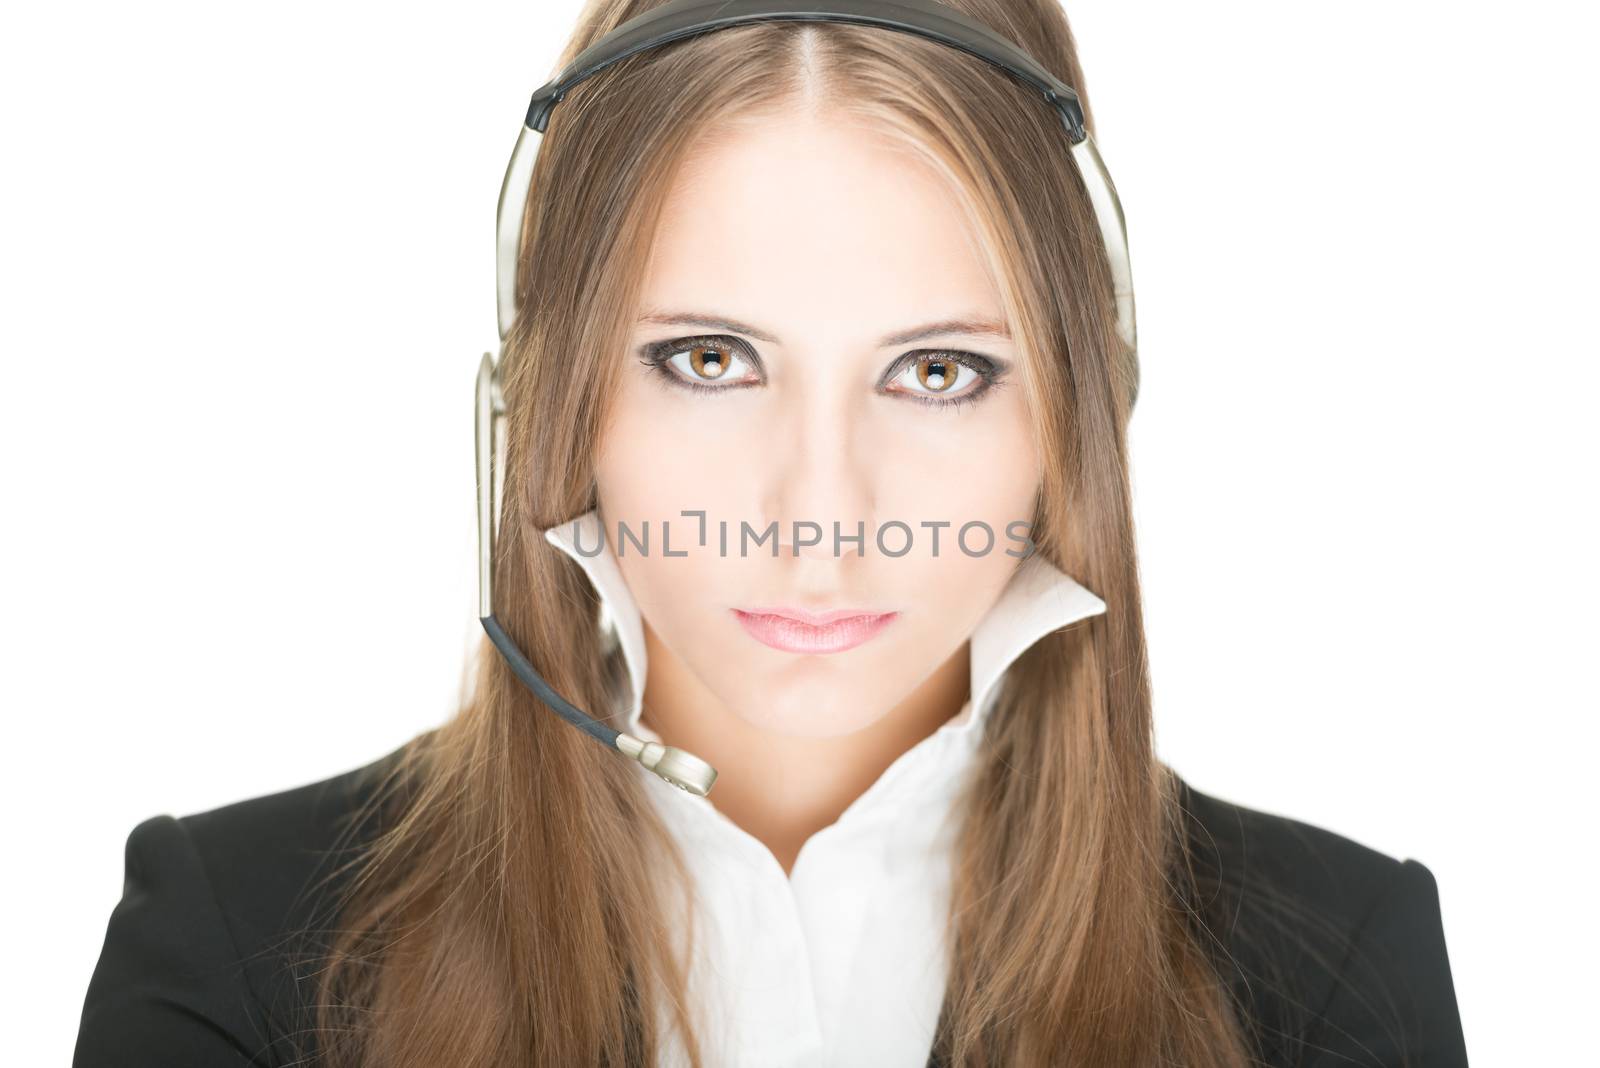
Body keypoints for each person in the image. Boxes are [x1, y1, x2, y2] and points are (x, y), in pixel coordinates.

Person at [73, 0, 1468, 1065]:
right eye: (710, 360)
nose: (820, 519)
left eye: (937, 371)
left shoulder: (1332, 978)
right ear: (547, 398)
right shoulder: (234, 957)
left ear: (1075, 414)